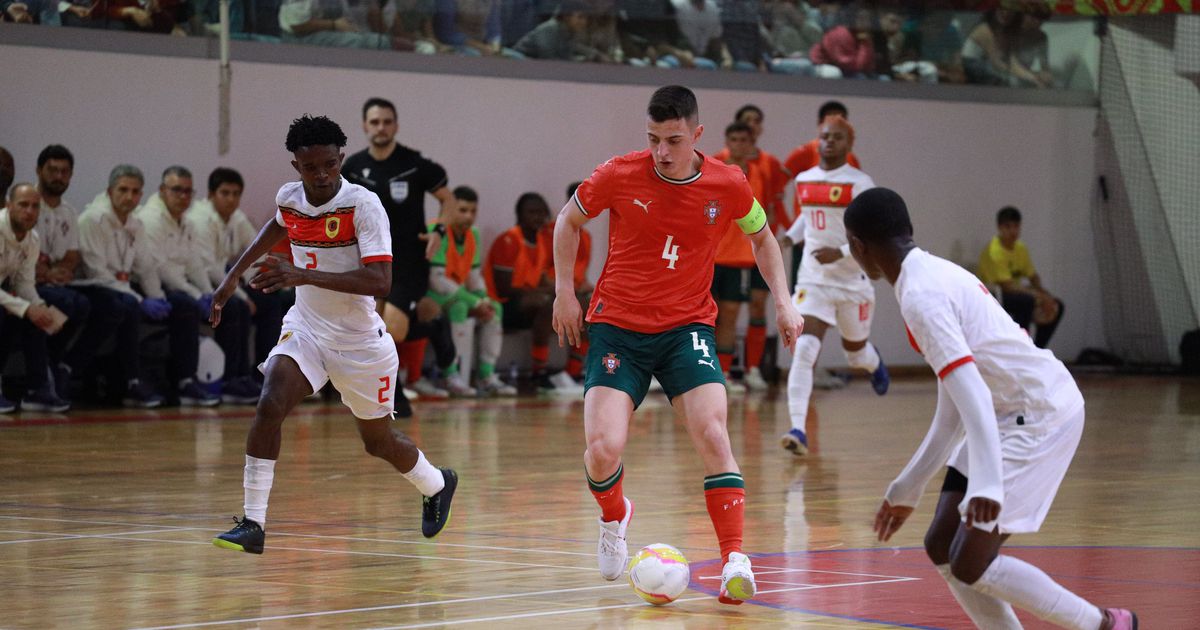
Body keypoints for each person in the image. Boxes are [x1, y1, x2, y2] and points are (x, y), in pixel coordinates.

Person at [551, 85, 805, 605]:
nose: (661, 151)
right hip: (618, 326)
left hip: (687, 327)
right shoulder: (620, 173)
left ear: (697, 135)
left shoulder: (727, 183)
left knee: (713, 431)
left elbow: (762, 238)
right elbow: (569, 220)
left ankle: (736, 557)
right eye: (653, 139)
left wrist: (783, 300)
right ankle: (615, 515)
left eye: (672, 140)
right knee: (603, 450)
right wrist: (563, 293)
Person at [846, 187, 1138, 630]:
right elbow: (957, 400)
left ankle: (1103, 624)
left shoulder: (921, 296)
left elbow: (974, 397)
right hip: (1006, 413)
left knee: (971, 563)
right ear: (909, 230)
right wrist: (908, 487)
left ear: (857, 248)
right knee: (942, 544)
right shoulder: (931, 274)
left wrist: (987, 483)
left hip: (1041, 413)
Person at [209, 114, 458, 554]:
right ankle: (253, 523)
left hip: (360, 343)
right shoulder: (290, 198)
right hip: (307, 329)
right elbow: (278, 225)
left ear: (341, 159)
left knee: (377, 442)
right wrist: (233, 277)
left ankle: (437, 483)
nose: (322, 175)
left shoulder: (364, 205)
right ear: (296, 166)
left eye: (330, 164)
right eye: (311, 167)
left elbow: (380, 282)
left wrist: (301, 274)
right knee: (269, 404)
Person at [779, 114, 889, 457]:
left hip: (852, 281)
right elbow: (808, 218)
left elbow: (874, 231)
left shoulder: (860, 183)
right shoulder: (805, 179)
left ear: (849, 144)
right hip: (814, 280)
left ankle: (874, 364)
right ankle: (798, 428)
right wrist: (788, 238)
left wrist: (841, 252)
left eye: (837, 137)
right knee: (805, 351)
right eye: (825, 136)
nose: (829, 142)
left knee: (855, 356)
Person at [343, 97, 457, 415]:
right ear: (365, 126)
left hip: (408, 261)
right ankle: (389, 388)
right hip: (369, 259)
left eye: (387, 121)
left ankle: (395, 395)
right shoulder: (352, 167)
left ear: (395, 125)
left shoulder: (414, 164)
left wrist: (439, 231)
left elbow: (448, 200)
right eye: (375, 122)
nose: (381, 127)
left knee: (392, 326)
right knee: (372, 328)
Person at [712, 105, 791, 391]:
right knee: (706, 313)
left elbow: (771, 207)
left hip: (747, 254)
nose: (743, 141)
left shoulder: (764, 166)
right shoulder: (714, 165)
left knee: (745, 308)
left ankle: (750, 369)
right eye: (738, 134)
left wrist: (781, 235)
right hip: (714, 254)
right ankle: (694, 371)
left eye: (753, 127)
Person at [75, 165, 166, 408]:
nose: (129, 197)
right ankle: (77, 369)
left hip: (119, 289)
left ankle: (172, 382)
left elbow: (145, 266)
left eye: (136, 192)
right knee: (124, 305)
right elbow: (97, 273)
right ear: (109, 191)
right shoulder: (92, 219)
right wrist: (140, 300)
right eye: (123, 190)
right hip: (89, 286)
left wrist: (157, 297)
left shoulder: (135, 223)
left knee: (172, 306)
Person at [136, 166, 224, 407]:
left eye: (188, 191)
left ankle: (235, 378)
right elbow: (160, 267)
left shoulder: (186, 221)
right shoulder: (150, 219)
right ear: (162, 191)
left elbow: (194, 263)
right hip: (150, 285)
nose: (184, 197)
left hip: (177, 285)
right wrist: (196, 295)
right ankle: (184, 381)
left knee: (232, 306)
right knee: (186, 306)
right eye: (177, 190)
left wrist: (210, 293)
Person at [189, 167, 277, 402]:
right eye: (225, 193)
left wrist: (256, 283)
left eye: (236, 194)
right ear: (210, 195)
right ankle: (231, 379)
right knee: (237, 307)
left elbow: (257, 254)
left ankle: (262, 374)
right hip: (200, 285)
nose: (231, 199)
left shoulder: (236, 218)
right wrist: (242, 295)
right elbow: (210, 268)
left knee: (272, 300)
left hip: (223, 281)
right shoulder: (200, 220)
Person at [486, 192, 580, 394]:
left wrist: (566, 292)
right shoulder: (509, 240)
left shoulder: (541, 242)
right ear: (519, 215)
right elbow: (504, 288)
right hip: (502, 305)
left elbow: (543, 278)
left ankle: (574, 372)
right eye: (532, 212)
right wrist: (545, 292)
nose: (538, 217)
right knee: (546, 304)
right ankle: (539, 373)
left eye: (541, 213)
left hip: (528, 303)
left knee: (578, 303)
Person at [427, 186, 513, 396]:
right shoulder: (436, 230)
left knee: (495, 308)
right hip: (432, 295)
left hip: (458, 294)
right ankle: (451, 374)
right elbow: (436, 280)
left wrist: (482, 298)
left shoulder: (473, 234)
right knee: (460, 306)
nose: (469, 216)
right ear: (451, 209)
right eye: (463, 210)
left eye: (473, 211)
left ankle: (486, 375)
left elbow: (474, 277)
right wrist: (475, 302)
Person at [0, 183, 71, 413]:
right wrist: (25, 308)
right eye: (23, 205)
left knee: (38, 317)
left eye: (34, 206)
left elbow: (24, 283)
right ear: (9, 206)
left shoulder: (32, 239)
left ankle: (38, 390)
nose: (29, 211)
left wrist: (40, 309)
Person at [33, 144, 91, 402]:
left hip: (55, 281)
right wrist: (46, 273)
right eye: (52, 170)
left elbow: (72, 254)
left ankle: (53, 362)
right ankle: (44, 369)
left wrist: (62, 271)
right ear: (39, 171)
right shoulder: (26, 203)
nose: (58, 176)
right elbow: (20, 250)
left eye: (64, 172)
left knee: (82, 305)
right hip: (29, 281)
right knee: (65, 302)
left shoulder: (69, 211)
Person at [977, 206, 1063, 348]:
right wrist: (1039, 296)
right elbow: (1007, 286)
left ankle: (1038, 349)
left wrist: (1043, 293)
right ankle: (1021, 347)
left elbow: (1032, 276)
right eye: (1008, 227)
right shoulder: (994, 251)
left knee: (1057, 305)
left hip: (1016, 292)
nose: (1013, 231)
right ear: (1000, 228)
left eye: (1016, 226)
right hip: (993, 296)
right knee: (1026, 301)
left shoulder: (1020, 248)